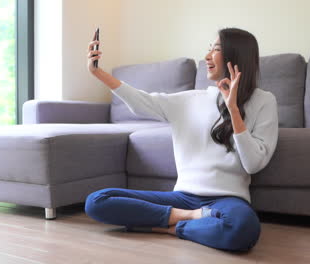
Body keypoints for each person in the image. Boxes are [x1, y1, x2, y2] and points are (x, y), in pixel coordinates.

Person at [83, 27, 279, 252]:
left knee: (244, 228)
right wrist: (98, 73)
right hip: (182, 200)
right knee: (97, 201)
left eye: (215, 49)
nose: (206, 56)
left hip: (228, 201)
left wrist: (233, 109)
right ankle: (190, 218)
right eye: (208, 49)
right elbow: (140, 100)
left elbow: (253, 164)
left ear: (235, 56)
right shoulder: (189, 100)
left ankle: (171, 227)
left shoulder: (264, 101)